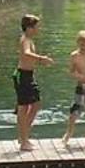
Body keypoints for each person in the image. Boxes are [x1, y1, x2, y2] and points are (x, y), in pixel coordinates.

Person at [14, 13, 52, 151]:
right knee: (23, 107)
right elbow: (26, 53)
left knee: (35, 105)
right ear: (29, 28)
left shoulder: (29, 39)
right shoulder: (25, 40)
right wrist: (42, 58)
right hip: (23, 76)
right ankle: (24, 141)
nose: (38, 30)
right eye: (36, 27)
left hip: (29, 75)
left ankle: (24, 134)